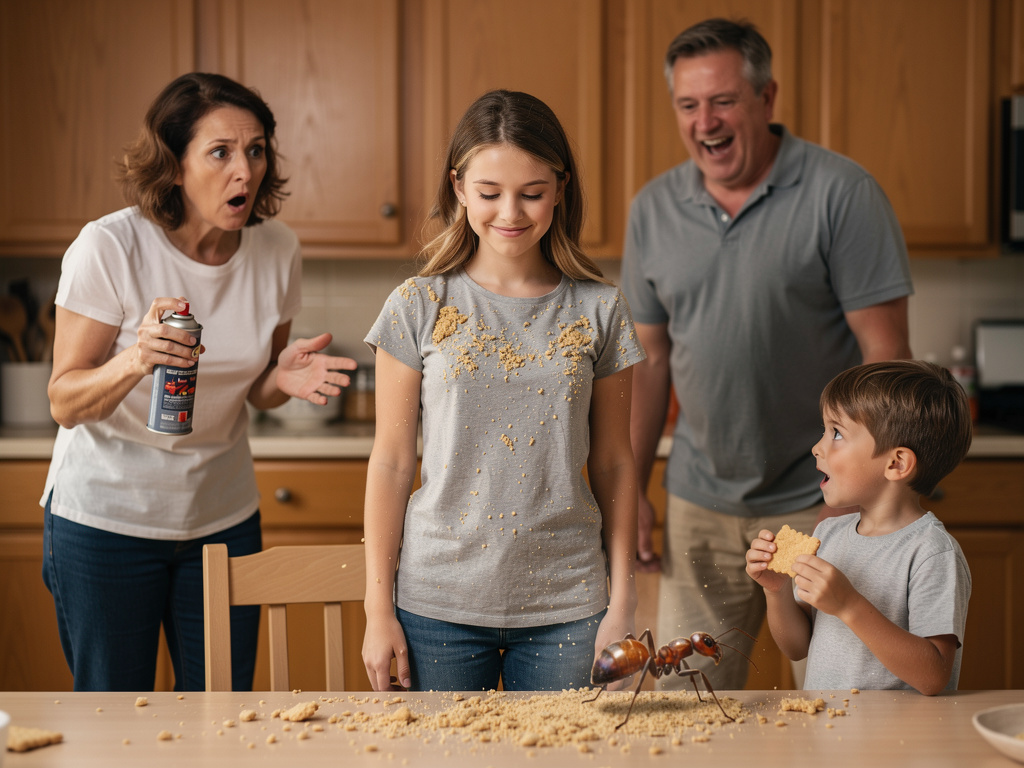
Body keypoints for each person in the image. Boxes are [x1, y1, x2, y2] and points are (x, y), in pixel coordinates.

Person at [621, 17, 915, 690]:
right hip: (698, 498)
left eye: (722, 101)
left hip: (821, 498)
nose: (706, 121)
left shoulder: (842, 194)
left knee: (845, 693)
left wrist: (860, 496)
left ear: (766, 98)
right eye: (688, 105)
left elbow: (886, 358)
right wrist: (634, 488)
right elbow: (650, 363)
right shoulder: (652, 210)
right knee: (685, 700)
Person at [41, 72, 355, 692]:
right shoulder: (109, 247)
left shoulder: (277, 250)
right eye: (221, 152)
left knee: (223, 714)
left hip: (222, 517)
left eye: (256, 149)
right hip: (106, 521)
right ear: (174, 166)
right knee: (113, 718)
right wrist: (136, 359)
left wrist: (280, 380)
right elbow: (64, 400)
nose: (246, 169)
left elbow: (255, 385)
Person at [361, 89, 645, 693]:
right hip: (435, 603)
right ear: (458, 188)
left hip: (570, 605)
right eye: (489, 194)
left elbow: (616, 462)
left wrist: (624, 601)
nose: (509, 212)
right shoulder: (418, 304)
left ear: (561, 188)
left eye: (532, 193)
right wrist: (376, 610)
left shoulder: (601, 308)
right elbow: (390, 462)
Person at [745, 360, 973, 692]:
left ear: (896, 463)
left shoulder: (932, 553)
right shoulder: (828, 535)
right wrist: (776, 590)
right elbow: (797, 648)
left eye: (836, 433)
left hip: (897, 740)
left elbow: (934, 675)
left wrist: (849, 605)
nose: (817, 447)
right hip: (828, 733)